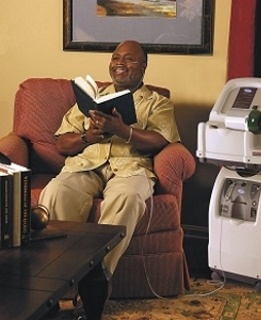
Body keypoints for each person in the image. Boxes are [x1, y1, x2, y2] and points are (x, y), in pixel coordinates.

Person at [38, 40, 180, 319]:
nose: (120, 63)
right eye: (116, 58)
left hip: (130, 168)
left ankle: (96, 275)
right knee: (55, 191)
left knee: (127, 197)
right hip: (86, 165)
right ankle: (58, 279)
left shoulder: (157, 103)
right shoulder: (91, 100)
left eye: (129, 59)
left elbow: (162, 141)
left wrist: (122, 130)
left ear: (143, 66)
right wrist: (87, 137)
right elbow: (61, 145)